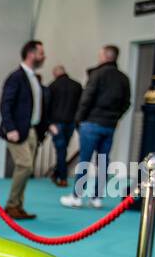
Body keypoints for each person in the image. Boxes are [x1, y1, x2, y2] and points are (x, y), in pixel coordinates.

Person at [66, 45, 132, 209]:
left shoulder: (97, 74)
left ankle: (77, 196)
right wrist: (116, 118)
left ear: (104, 56)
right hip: (109, 125)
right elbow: (126, 103)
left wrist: (79, 120)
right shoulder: (123, 78)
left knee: (84, 161)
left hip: (91, 123)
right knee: (103, 162)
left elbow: (86, 98)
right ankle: (96, 197)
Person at [0, 40, 47, 220]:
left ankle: (18, 205)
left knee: (27, 168)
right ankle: (11, 205)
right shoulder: (16, 77)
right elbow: (5, 103)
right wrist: (10, 127)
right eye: (41, 53)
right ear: (31, 54)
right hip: (17, 131)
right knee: (24, 165)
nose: (44, 56)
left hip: (32, 130)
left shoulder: (35, 78)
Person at [44, 65, 83, 187]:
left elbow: (46, 106)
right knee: (63, 149)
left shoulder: (52, 86)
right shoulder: (77, 86)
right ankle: (57, 173)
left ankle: (62, 177)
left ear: (55, 74)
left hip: (57, 123)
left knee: (61, 150)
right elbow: (82, 105)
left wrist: (49, 123)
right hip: (71, 122)